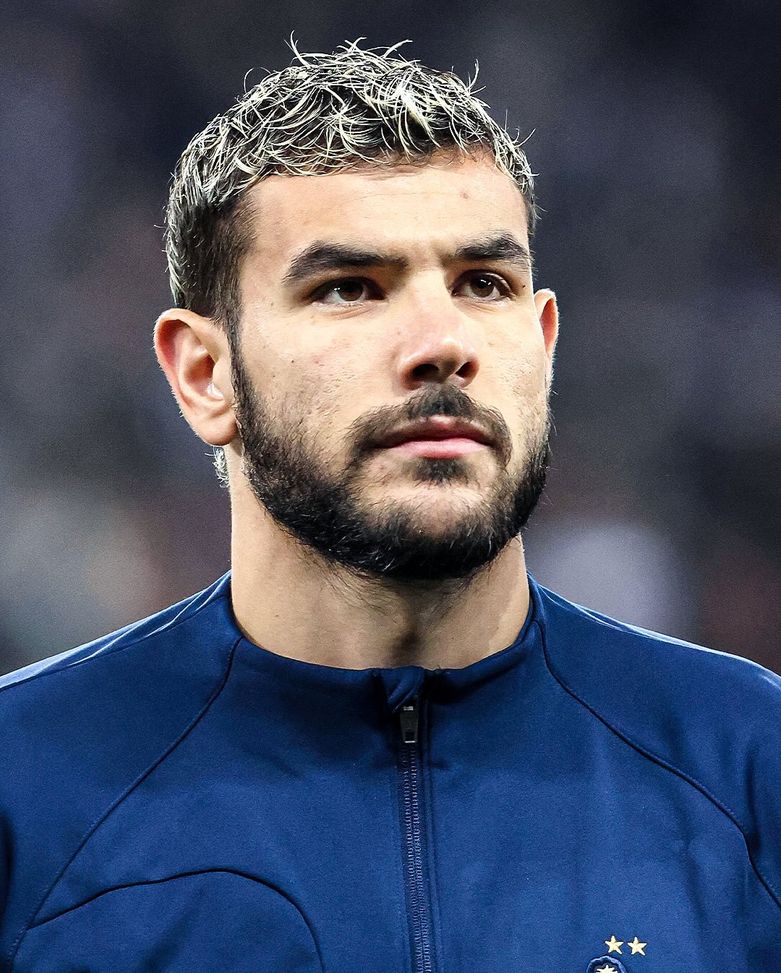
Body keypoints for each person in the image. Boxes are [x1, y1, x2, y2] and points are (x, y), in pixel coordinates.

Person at [0, 38, 778, 973]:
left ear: (542, 347)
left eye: (483, 283)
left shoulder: (749, 761)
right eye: (349, 289)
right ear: (205, 375)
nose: (441, 342)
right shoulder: (24, 784)